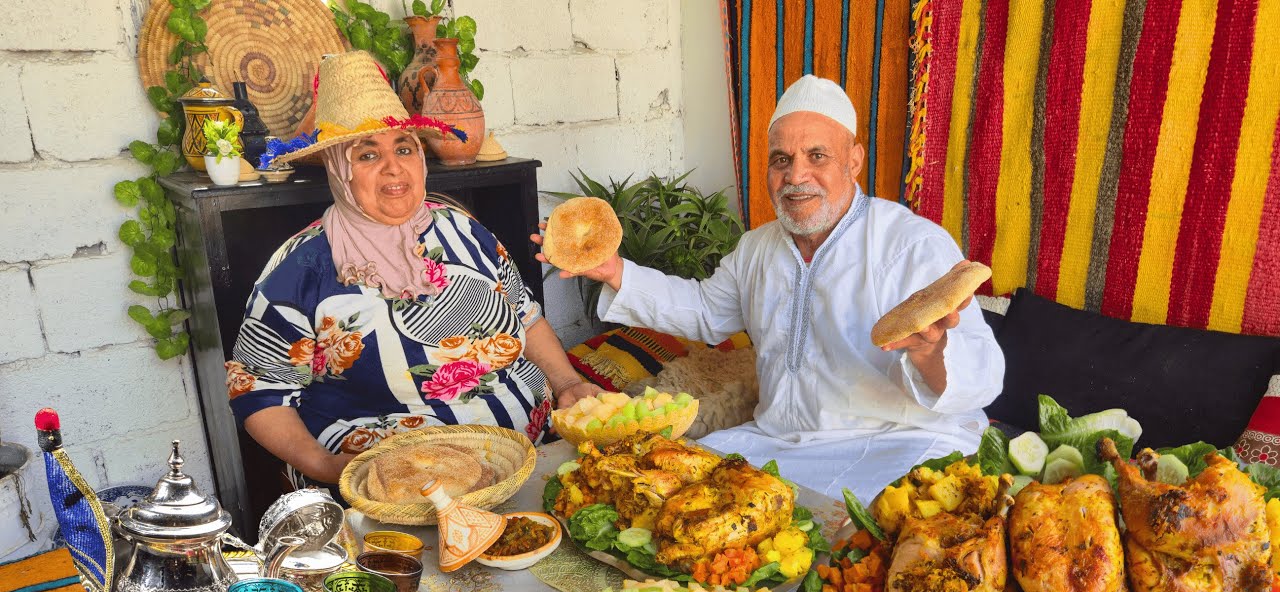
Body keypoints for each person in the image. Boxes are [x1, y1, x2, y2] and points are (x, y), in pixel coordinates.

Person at [537, 75, 1004, 501]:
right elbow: (703, 312)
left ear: (854, 160)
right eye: (782, 159)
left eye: (816, 156)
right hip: (777, 441)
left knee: (867, 534)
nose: (796, 176)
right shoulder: (757, 248)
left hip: (896, 443)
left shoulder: (912, 245)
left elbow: (982, 381)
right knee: (663, 492)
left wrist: (928, 353)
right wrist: (616, 272)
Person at [226, 51, 602, 487]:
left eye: (403, 148)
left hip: (529, 454)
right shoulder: (298, 269)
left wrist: (567, 383)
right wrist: (332, 471)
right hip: (401, 485)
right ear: (337, 169)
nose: (393, 167)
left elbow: (525, 316)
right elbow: (259, 394)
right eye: (366, 155)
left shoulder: (464, 229)